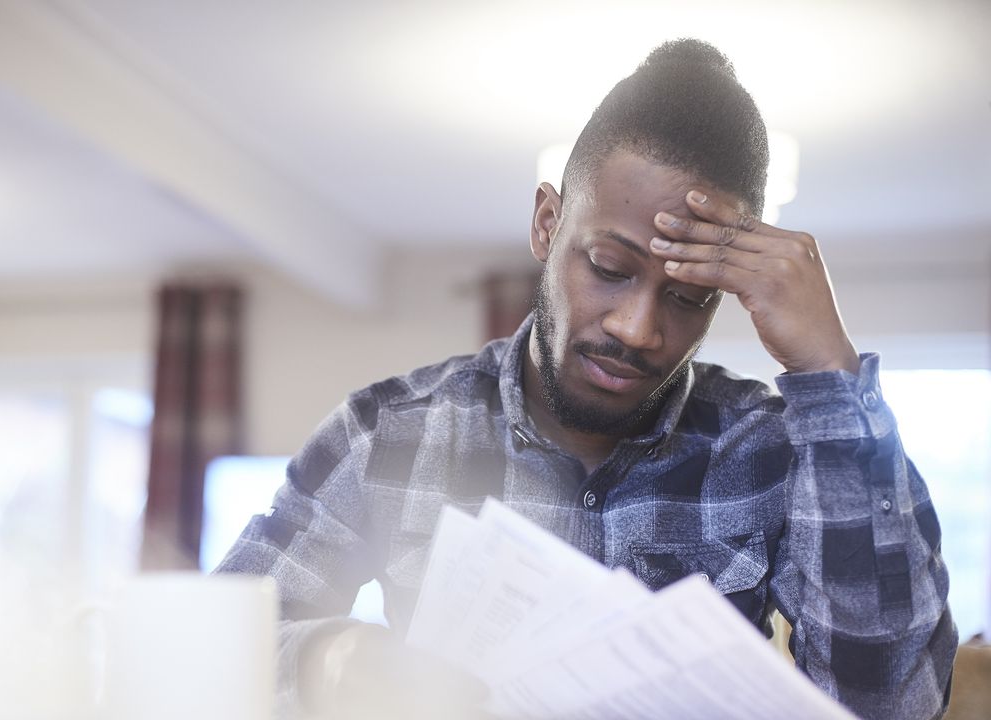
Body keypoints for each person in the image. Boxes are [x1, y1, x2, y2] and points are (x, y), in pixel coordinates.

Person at [217, 38, 956, 720]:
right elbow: (214, 653)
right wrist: (333, 657)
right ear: (547, 224)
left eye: (688, 295)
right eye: (609, 268)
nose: (638, 328)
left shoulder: (771, 452)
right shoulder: (388, 433)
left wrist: (829, 376)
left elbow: (890, 704)